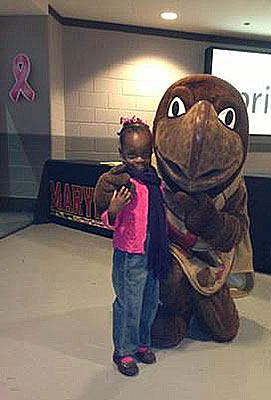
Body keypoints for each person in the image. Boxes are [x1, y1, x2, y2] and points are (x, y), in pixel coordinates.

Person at [95, 116, 169, 377]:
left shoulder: (154, 180)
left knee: (150, 300)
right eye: (132, 154)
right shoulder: (118, 182)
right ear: (121, 153)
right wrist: (114, 210)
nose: (139, 159)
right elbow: (105, 218)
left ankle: (141, 344)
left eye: (145, 154)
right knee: (129, 303)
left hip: (154, 250)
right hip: (130, 254)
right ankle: (123, 351)